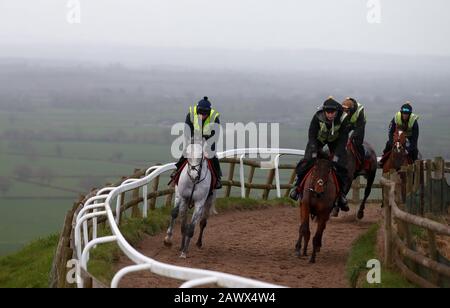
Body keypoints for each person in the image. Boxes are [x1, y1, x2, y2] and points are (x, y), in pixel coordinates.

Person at [289, 97, 350, 211]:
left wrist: (336, 155)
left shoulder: (343, 119)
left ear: (337, 111)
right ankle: (297, 188)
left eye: (333, 112)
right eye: (328, 112)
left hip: (335, 142)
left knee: (341, 166)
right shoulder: (317, 116)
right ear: (324, 111)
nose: (330, 115)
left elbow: (343, 138)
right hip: (318, 140)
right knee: (307, 161)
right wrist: (313, 149)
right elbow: (311, 133)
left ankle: (341, 195)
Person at [172, 96, 222, 189]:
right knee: (186, 153)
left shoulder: (214, 118)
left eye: (204, 115)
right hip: (194, 139)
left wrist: (208, 149)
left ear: (208, 113)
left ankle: (218, 177)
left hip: (209, 140)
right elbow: (187, 132)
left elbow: (215, 136)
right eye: (200, 114)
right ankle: (177, 171)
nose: (202, 117)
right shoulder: (191, 115)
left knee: (213, 156)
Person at [380, 102, 419, 167]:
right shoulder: (396, 118)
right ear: (401, 113)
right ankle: (382, 161)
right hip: (397, 137)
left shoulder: (414, 121)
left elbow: (415, 138)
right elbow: (390, 131)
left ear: (409, 114)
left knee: (414, 150)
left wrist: (408, 150)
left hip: (409, 138)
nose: (405, 115)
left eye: (407, 114)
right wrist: (392, 142)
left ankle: (415, 166)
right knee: (388, 145)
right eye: (403, 113)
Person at [342, 97, 366, 162]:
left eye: (347, 111)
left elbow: (359, 127)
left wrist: (352, 137)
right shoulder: (344, 109)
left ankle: (363, 160)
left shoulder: (359, 111)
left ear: (351, 109)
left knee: (358, 143)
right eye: (344, 110)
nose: (345, 113)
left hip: (359, 124)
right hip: (350, 123)